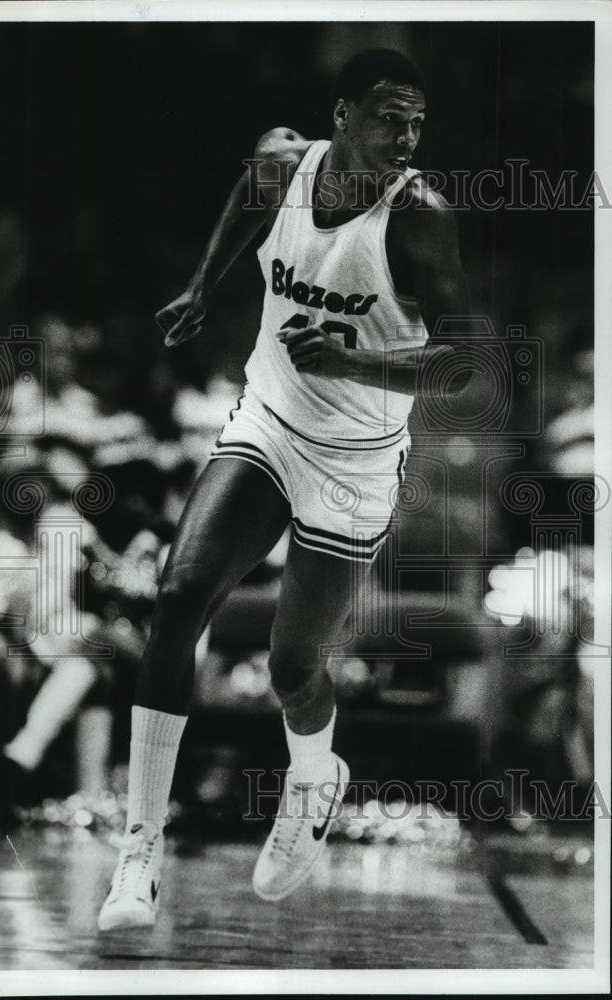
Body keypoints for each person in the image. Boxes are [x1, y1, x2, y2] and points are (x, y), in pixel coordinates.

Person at [98, 47, 473, 930]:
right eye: (389, 116)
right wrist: (202, 284)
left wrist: (359, 361)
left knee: (292, 667)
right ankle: (138, 850)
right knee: (179, 591)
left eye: (416, 122)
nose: (406, 135)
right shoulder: (280, 164)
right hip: (266, 420)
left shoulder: (419, 215)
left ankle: (313, 780)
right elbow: (246, 201)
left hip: (355, 458)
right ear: (340, 116)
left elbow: (462, 365)